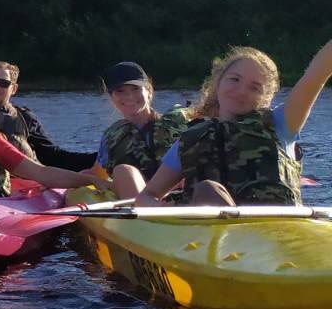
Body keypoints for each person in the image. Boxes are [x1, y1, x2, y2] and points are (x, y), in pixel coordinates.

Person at [134, 41, 332, 207]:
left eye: (255, 87)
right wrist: (162, 209)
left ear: (266, 98)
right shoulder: (191, 139)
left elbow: (317, 73)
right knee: (206, 191)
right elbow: (146, 196)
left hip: (277, 234)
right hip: (210, 241)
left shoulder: (282, 123)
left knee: (207, 190)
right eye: (234, 79)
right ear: (218, 82)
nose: (241, 91)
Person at [0, 61, 96, 171]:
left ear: (13, 89)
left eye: (3, 83)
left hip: (16, 188)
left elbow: (53, 157)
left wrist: (99, 158)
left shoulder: (26, 119)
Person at [92, 61, 191, 199]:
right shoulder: (111, 137)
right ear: (111, 97)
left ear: (149, 91)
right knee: (123, 171)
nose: (129, 96)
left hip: (183, 201)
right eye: (120, 91)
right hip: (141, 207)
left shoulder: (182, 124)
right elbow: (96, 174)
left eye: (135, 89)